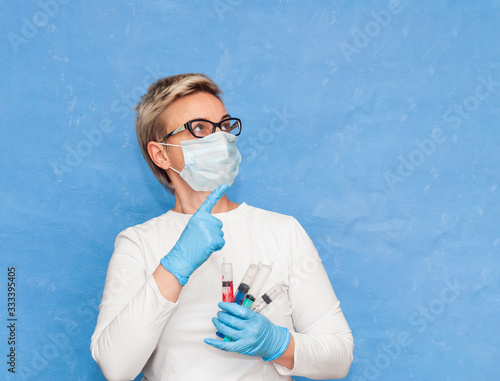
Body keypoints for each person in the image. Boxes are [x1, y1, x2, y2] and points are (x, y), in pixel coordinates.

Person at [91, 73, 354, 381]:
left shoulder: (282, 232)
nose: (220, 138)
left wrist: (278, 343)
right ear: (160, 154)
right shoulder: (138, 243)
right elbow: (115, 366)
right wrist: (175, 266)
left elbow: (339, 358)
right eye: (199, 128)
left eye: (225, 126)